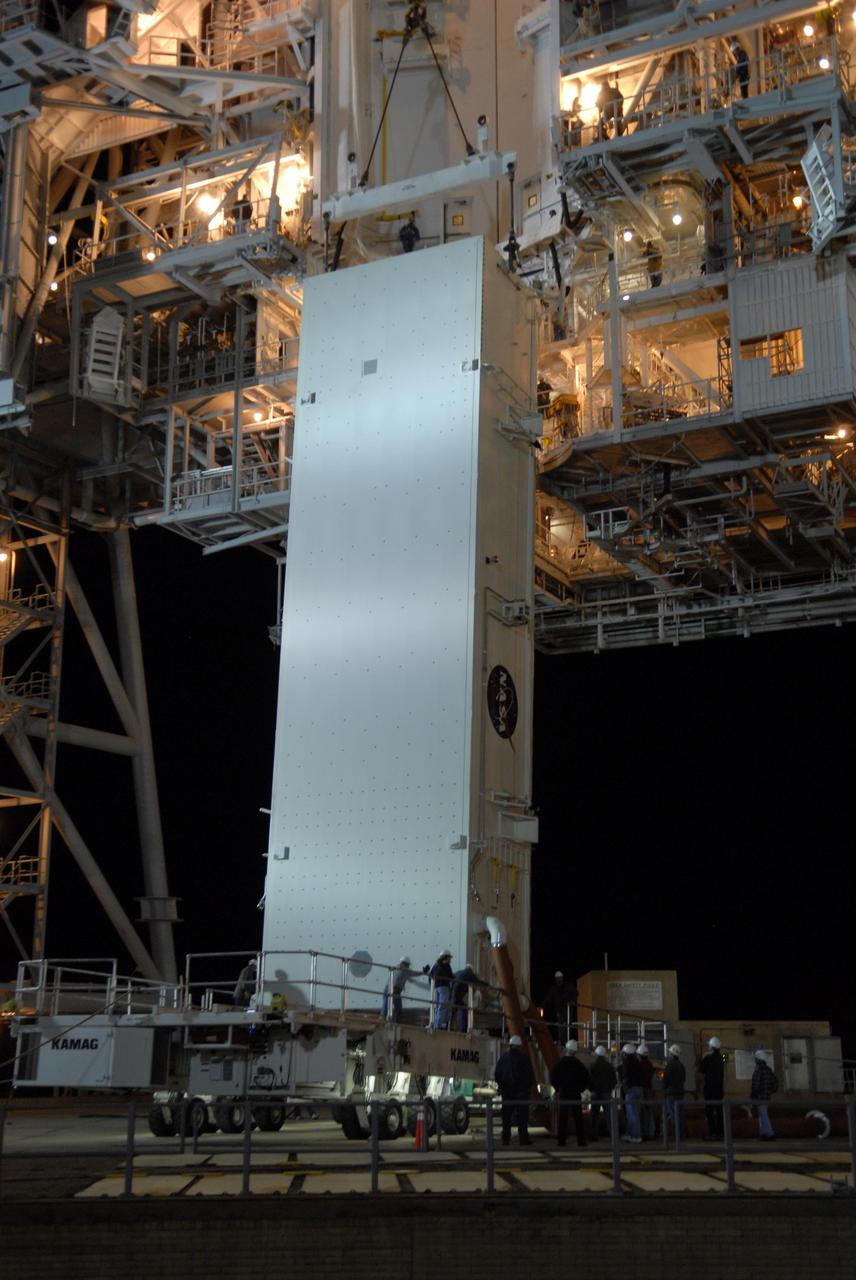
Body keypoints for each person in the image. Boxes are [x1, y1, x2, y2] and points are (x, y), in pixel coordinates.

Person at [494, 1034, 535, 1146]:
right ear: (519, 1046)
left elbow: (497, 1074)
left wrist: (502, 1086)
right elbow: (530, 1076)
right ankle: (523, 1139)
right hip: (521, 1094)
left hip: (507, 1094)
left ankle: (506, 1139)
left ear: (510, 1045)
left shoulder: (504, 1058)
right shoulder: (524, 1058)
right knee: (522, 1118)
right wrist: (527, 1089)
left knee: (506, 1118)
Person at [550, 1039, 590, 1147]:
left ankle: (561, 1141)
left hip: (564, 1093)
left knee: (563, 1118)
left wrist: (558, 1088)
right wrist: (580, 1089)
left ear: (566, 1050)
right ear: (575, 1052)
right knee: (578, 1118)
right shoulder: (579, 1065)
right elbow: (586, 1079)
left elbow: (553, 1077)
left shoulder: (560, 1064)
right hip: (575, 1094)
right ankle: (581, 1141)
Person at [700, 1036, 727, 1139]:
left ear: (711, 1046)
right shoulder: (723, 1057)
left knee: (710, 1111)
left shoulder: (707, 1058)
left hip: (709, 1089)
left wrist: (703, 1057)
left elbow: (701, 1070)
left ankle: (713, 1133)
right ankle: (721, 1133)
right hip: (719, 1089)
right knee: (719, 1110)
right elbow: (725, 1059)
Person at [589, 1044, 617, 1140]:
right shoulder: (609, 1066)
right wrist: (610, 1088)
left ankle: (593, 1135)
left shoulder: (592, 1066)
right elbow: (614, 1080)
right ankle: (613, 1135)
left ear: (596, 1055)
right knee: (609, 1115)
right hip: (606, 1092)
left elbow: (589, 1079)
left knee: (594, 1115)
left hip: (595, 1093)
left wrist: (591, 1089)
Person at [618, 1043, 645, 1142]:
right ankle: (630, 1133)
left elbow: (625, 1078)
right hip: (640, 1090)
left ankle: (636, 1136)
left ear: (625, 1053)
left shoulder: (626, 1063)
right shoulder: (638, 1063)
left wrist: (625, 1089)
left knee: (632, 1115)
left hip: (631, 1090)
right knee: (635, 1113)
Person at [750, 1050, 778, 1141]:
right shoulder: (768, 1069)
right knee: (762, 1115)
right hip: (766, 1097)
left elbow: (756, 1084)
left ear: (757, 1059)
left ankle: (770, 1134)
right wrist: (769, 1092)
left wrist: (753, 1095)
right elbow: (775, 1084)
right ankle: (763, 1134)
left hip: (760, 1097)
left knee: (763, 1115)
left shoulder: (759, 1069)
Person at [450, 964, 488, 1031]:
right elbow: (477, 981)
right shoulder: (469, 973)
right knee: (463, 1010)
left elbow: (451, 979)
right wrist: (487, 984)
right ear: (471, 970)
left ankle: (448, 1026)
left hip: (452, 994)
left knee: (454, 1011)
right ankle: (463, 1029)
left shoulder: (458, 972)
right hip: (457, 995)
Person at [542, 970, 576, 1042]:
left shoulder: (569, 987)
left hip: (568, 1012)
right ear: (556, 979)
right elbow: (548, 1000)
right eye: (557, 978)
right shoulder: (553, 990)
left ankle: (567, 1042)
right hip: (560, 1013)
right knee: (561, 1029)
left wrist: (573, 1001)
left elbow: (576, 993)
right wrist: (542, 1005)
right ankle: (563, 1043)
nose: (559, 980)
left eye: (560, 978)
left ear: (562, 978)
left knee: (568, 1029)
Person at [662, 1044, 686, 1139]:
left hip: (671, 1093)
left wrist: (664, 1088)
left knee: (673, 1115)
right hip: (680, 1093)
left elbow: (665, 1080)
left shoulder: (670, 1065)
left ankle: (677, 1137)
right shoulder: (681, 1066)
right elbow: (683, 1078)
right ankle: (681, 1134)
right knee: (679, 1115)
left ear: (672, 1054)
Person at [428, 949, 454, 1029]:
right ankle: (438, 1025)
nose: (450, 960)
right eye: (449, 958)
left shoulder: (435, 965)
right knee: (442, 1006)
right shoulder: (446, 966)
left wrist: (432, 986)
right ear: (446, 957)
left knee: (438, 1007)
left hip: (436, 988)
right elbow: (451, 977)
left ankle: (435, 1024)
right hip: (444, 988)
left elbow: (430, 975)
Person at [382, 956, 412, 1022]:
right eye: (407, 964)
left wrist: (423, 972)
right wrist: (393, 991)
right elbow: (395, 980)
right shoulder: (398, 969)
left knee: (397, 1008)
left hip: (396, 990)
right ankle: (383, 1020)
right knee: (387, 1005)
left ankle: (396, 1022)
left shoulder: (405, 971)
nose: (408, 966)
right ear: (403, 963)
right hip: (392, 989)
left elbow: (414, 973)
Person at [636, 1041, 656, 1138]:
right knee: (649, 1111)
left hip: (642, 1090)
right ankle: (651, 1132)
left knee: (641, 1112)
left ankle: (643, 1132)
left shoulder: (639, 1065)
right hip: (649, 1089)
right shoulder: (650, 1065)